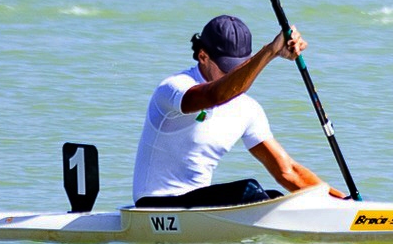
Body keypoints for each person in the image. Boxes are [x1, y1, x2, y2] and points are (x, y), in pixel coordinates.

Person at [130, 14, 342, 208]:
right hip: (154, 206)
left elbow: (288, 172)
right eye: (227, 68)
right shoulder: (174, 89)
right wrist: (270, 51)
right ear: (203, 56)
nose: (235, 75)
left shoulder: (247, 110)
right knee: (249, 191)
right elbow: (215, 96)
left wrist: (343, 203)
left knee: (278, 199)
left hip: (198, 209)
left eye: (240, 67)